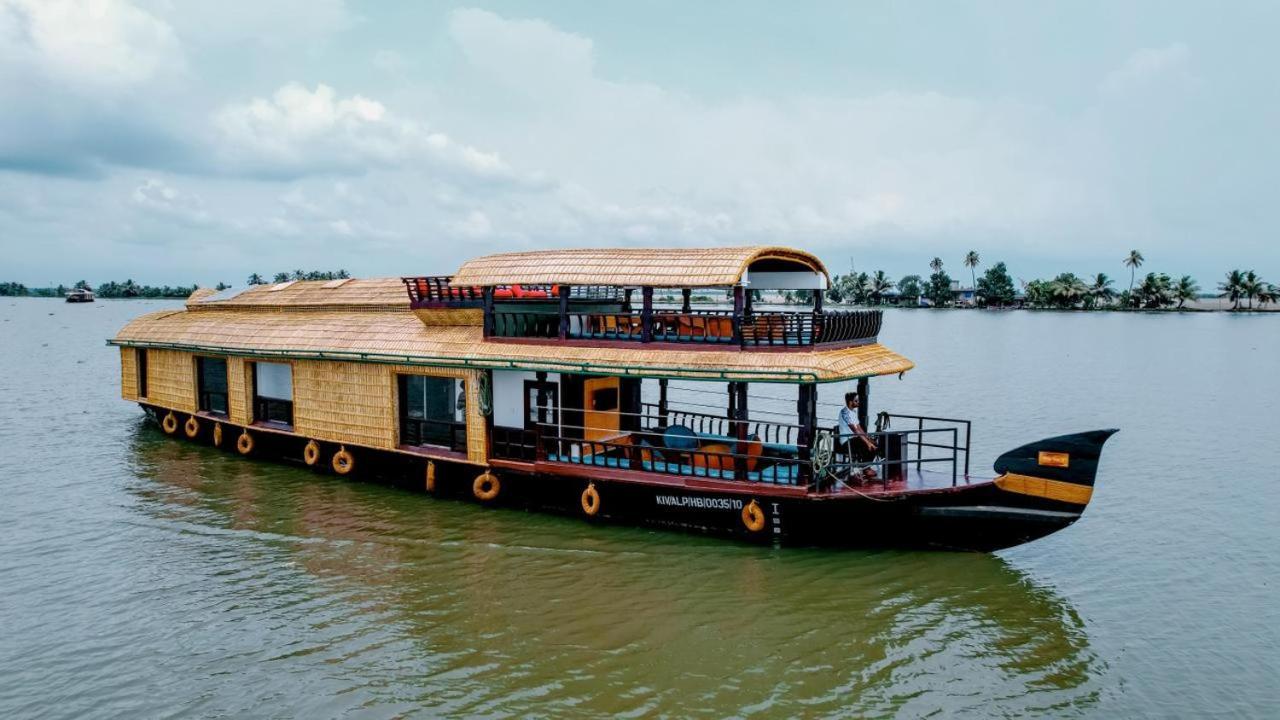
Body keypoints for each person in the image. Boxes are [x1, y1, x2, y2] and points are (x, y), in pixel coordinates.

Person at [838, 391, 878, 481]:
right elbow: (855, 430)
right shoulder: (845, 413)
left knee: (874, 443)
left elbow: (859, 428)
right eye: (856, 401)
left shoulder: (853, 412)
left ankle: (866, 467)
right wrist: (867, 443)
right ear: (850, 402)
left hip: (854, 439)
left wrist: (868, 439)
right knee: (865, 445)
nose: (858, 402)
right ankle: (865, 469)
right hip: (846, 441)